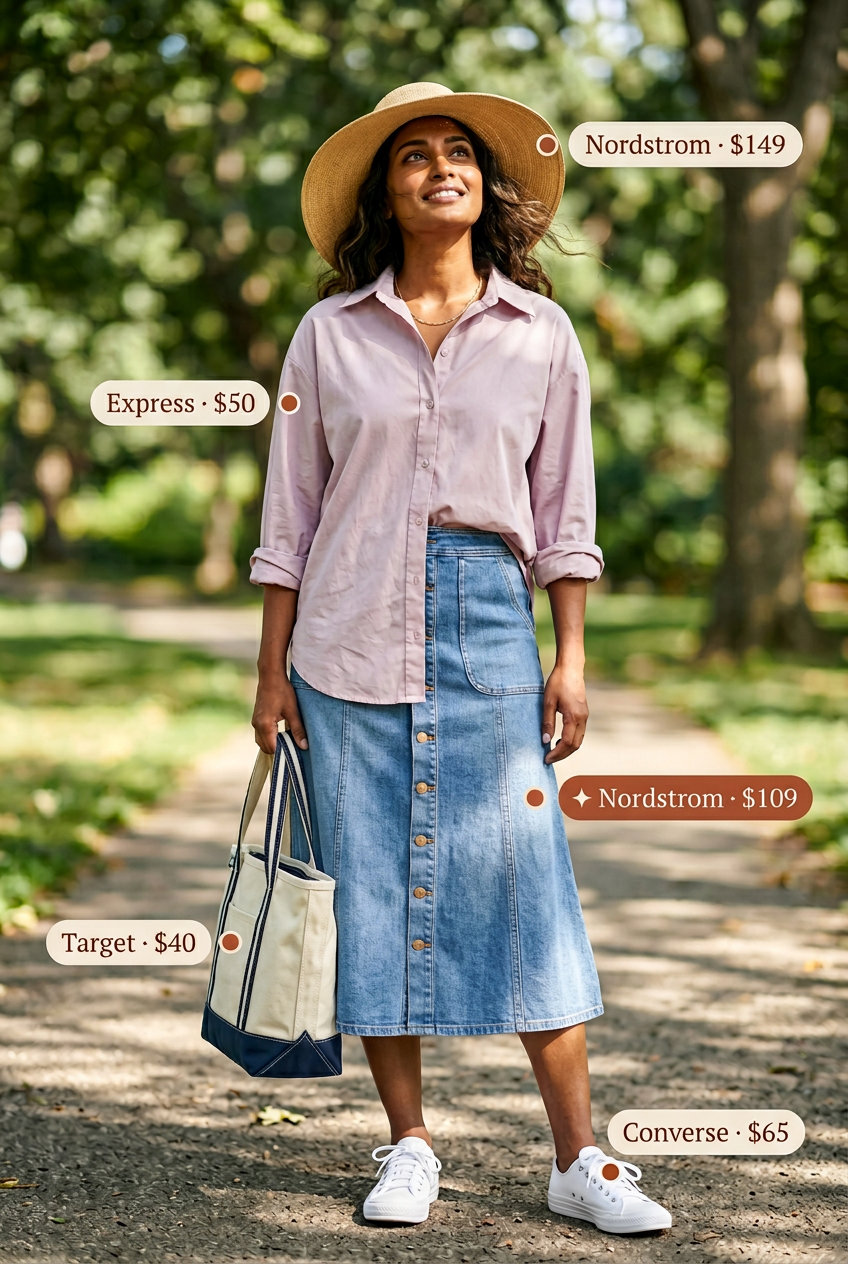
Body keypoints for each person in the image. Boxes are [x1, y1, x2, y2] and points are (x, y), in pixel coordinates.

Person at [249, 81, 671, 1237]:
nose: (439, 167)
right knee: (373, 889)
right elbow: (289, 514)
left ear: (485, 188)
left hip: (488, 622)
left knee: (528, 886)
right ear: (384, 195)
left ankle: (578, 1157)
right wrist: (270, 670)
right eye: (412, 156)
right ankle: (409, 1143)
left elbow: (563, 509)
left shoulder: (541, 335)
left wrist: (569, 656)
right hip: (344, 633)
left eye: (459, 153)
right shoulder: (327, 334)